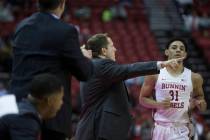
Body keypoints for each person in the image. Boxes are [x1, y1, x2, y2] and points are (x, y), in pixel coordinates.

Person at [9, 0, 93, 139]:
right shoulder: (66, 31)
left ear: (38, 4)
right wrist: (82, 56)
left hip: (18, 105)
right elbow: (84, 73)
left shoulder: (21, 26)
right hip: (52, 114)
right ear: (62, 4)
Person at [75, 33, 184, 140]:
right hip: (98, 130)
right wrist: (162, 64)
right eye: (112, 46)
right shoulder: (102, 66)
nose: (115, 49)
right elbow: (130, 69)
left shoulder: (94, 66)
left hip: (94, 129)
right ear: (104, 51)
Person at [139, 38, 207, 140]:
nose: (178, 50)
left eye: (181, 48)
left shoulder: (195, 77)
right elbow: (142, 99)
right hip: (160, 128)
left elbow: (201, 102)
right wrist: (159, 104)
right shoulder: (155, 74)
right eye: (174, 48)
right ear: (167, 51)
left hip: (181, 129)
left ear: (185, 54)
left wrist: (200, 104)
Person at [0, 73, 64, 140]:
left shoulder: (21, 109)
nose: (61, 103)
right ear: (50, 101)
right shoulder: (26, 120)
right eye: (60, 99)